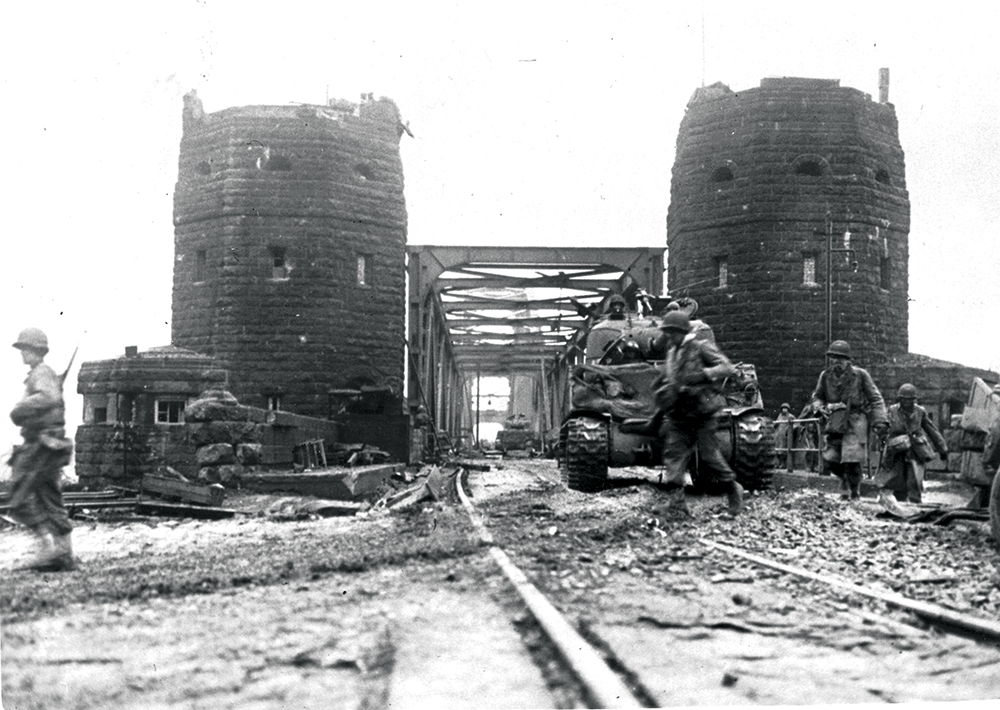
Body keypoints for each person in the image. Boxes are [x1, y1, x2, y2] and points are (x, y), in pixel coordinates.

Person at [655, 311, 745, 515]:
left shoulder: (700, 347)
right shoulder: (672, 352)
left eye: (672, 332)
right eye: (667, 333)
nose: (669, 337)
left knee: (709, 455)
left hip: (702, 411)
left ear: (682, 331)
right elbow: (672, 377)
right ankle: (677, 503)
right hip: (680, 413)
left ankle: (733, 490)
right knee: (673, 454)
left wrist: (704, 374)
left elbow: (727, 367)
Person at [9, 327, 76, 571]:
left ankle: (50, 546)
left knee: (18, 495)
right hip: (49, 445)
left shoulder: (42, 373)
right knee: (50, 498)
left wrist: (20, 409)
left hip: (41, 445)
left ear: (35, 350)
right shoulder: (42, 373)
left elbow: (49, 398)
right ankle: (65, 553)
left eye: (25, 349)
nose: (22, 354)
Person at [811, 340, 888, 500]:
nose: (837, 361)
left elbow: (875, 398)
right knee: (829, 460)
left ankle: (854, 492)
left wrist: (880, 420)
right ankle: (844, 481)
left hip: (855, 421)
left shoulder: (860, 375)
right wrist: (818, 407)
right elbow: (817, 396)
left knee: (852, 460)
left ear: (848, 360)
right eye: (833, 358)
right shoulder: (825, 376)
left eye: (841, 358)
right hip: (835, 421)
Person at [875, 384, 948, 505]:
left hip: (915, 449)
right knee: (897, 480)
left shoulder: (920, 412)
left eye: (910, 399)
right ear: (900, 399)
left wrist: (942, 448)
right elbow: (883, 428)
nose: (907, 402)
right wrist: (882, 441)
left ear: (914, 400)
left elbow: (932, 430)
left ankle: (916, 505)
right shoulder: (892, 410)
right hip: (896, 450)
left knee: (914, 480)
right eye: (904, 399)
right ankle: (900, 505)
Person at [774, 403, 795, 472]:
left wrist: (789, 430)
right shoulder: (780, 416)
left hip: (785, 436)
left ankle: (784, 464)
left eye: (786, 408)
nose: (784, 409)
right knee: (777, 450)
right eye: (783, 408)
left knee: (784, 450)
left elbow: (795, 424)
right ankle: (778, 463)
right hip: (778, 435)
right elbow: (776, 424)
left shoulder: (790, 416)